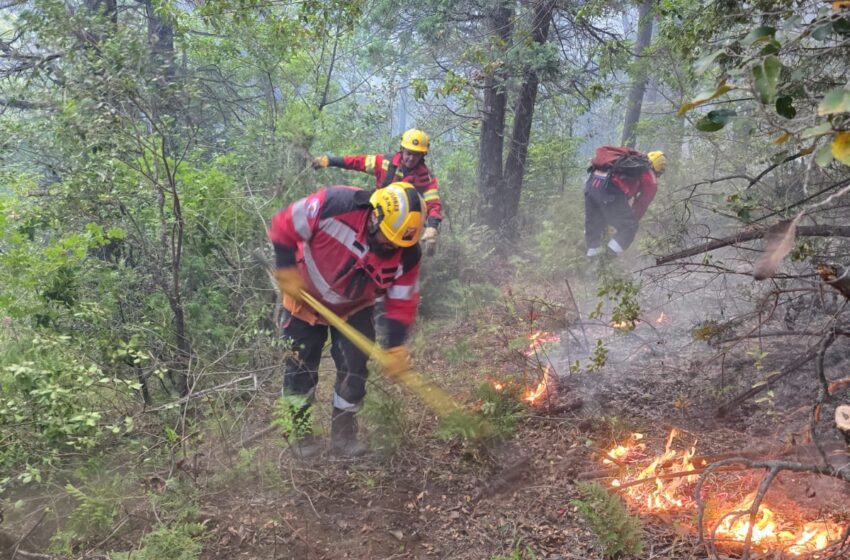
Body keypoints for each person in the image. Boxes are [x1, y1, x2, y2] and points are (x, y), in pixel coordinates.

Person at [268, 182, 424, 458]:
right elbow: (283, 224)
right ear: (375, 216)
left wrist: (396, 346)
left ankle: (343, 435)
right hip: (303, 301)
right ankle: (301, 435)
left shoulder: (407, 252)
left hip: (354, 308)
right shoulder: (334, 205)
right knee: (299, 371)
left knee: (355, 371)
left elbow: (400, 300)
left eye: (398, 243)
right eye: (388, 238)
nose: (391, 247)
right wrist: (286, 268)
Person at [311, 128, 442, 254]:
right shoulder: (384, 162)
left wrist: (432, 227)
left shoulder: (426, 179)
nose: (411, 158)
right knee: (351, 201)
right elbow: (356, 162)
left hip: (400, 228)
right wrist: (328, 161)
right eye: (409, 153)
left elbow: (433, 205)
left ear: (423, 155)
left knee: (411, 254)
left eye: (416, 155)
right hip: (375, 213)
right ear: (402, 150)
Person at [584, 148, 667, 258]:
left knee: (597, 228)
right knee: (630, 226)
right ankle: (606, 259)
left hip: (590, 189)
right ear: (658, 170)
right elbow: (642, 204)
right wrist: (630, 221)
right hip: (609, 193)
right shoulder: (649, 176)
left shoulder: (627, 160)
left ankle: (591, 264)